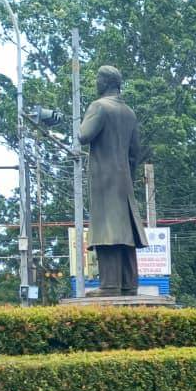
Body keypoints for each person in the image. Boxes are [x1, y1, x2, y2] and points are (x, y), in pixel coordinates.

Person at [78, 65, 147, 296]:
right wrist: (129, 176)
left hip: (104, 180)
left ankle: (109, 286)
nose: (95, 82)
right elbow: (135, 152)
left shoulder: (99, 107)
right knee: (125, 232)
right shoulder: (129, 112)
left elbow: (83, 135)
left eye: (98, 78)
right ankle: (129, 284)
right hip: (124, 180)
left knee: (107, 231)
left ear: (106, 82)